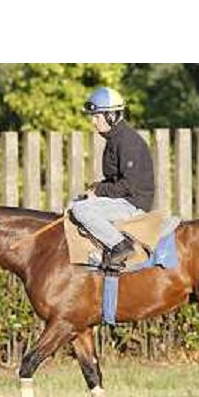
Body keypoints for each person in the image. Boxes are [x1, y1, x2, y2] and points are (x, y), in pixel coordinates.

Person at [72, 87, 155, 267]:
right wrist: (97, 188)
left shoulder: (127, 142)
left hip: (133, 203)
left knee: (81, 210)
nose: (93, 122)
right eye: (92, 117)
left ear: (111, 116)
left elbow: (129, 186)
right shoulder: (115, 139)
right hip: (123, 199)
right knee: (74, 204)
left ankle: (121, 246)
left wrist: (100, 191)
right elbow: (116, 180)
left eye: (97, 117)